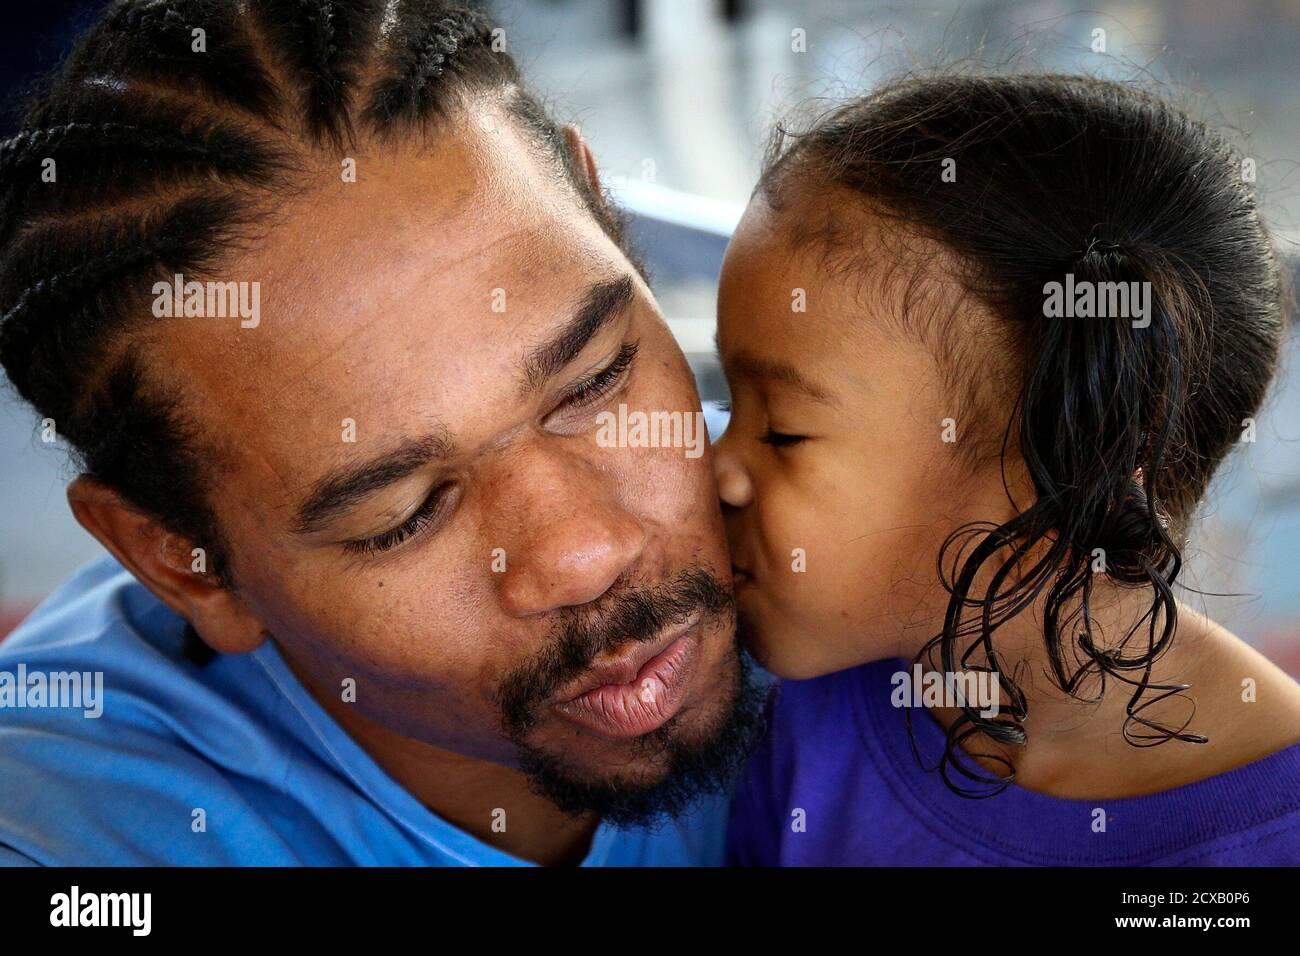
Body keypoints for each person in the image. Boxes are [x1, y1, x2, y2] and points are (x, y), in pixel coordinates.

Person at [0, 0, 764, 866]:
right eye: (403, 514)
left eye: (596, 382)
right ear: (182, 559)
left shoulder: (888, 543)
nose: (585, 554)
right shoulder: (69, 844)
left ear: (605, 214)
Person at [717, 73, 1300, 865]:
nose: (719, 470)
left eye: (782, 432)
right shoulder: (795, 714)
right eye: (728, 400)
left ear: (1061, 472)